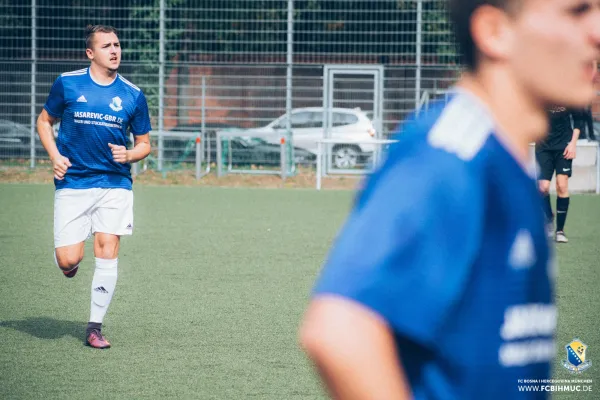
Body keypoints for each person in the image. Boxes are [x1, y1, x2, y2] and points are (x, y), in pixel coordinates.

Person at [299, 1, 600, 399]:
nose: (596, 31)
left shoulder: (504, 161)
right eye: (576, 11)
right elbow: (339, 329)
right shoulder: (451, 155)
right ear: (495, 32)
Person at [36, 24, 152, 349]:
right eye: (106, 46)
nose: (114, 50)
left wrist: (130, 153)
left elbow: (145, 144)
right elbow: (44, 121)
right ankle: (72, 258)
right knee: (67, 260)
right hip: (73, 182)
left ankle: (94, 327)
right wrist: (55, 155)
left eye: (117, 44)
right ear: (91, 53)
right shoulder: (68, 83)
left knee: (107, 247)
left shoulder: (133, 95)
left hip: (115, 183)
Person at [535, 107, 585, 243]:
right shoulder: (541, 92)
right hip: (543, 146)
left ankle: (560, 231)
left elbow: (579, 120)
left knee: (562, 186)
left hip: (564, 145)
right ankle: (548, 218)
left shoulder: (565, 92)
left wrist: (573, 144)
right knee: (542, 187)